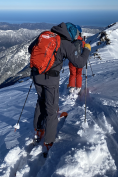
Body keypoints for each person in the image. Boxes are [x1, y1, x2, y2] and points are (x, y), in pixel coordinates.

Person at [28, 22, 91, 152]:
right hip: (50, 79)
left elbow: (30, 49)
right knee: (51, 110)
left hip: (36, 74)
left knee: (41, 101)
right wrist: (87, 50)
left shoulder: (45, 35)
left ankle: (38, 130)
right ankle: (48, 141)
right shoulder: (66, 44)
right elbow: (79, 63)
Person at [68, 25, 86, 94]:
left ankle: (72, 88)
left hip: (72, 61)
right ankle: (78, 88)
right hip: (80, 60)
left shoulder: (71, 41)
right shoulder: (82, 42)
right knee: (79, 74)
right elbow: (85, 50)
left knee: (72, 74)